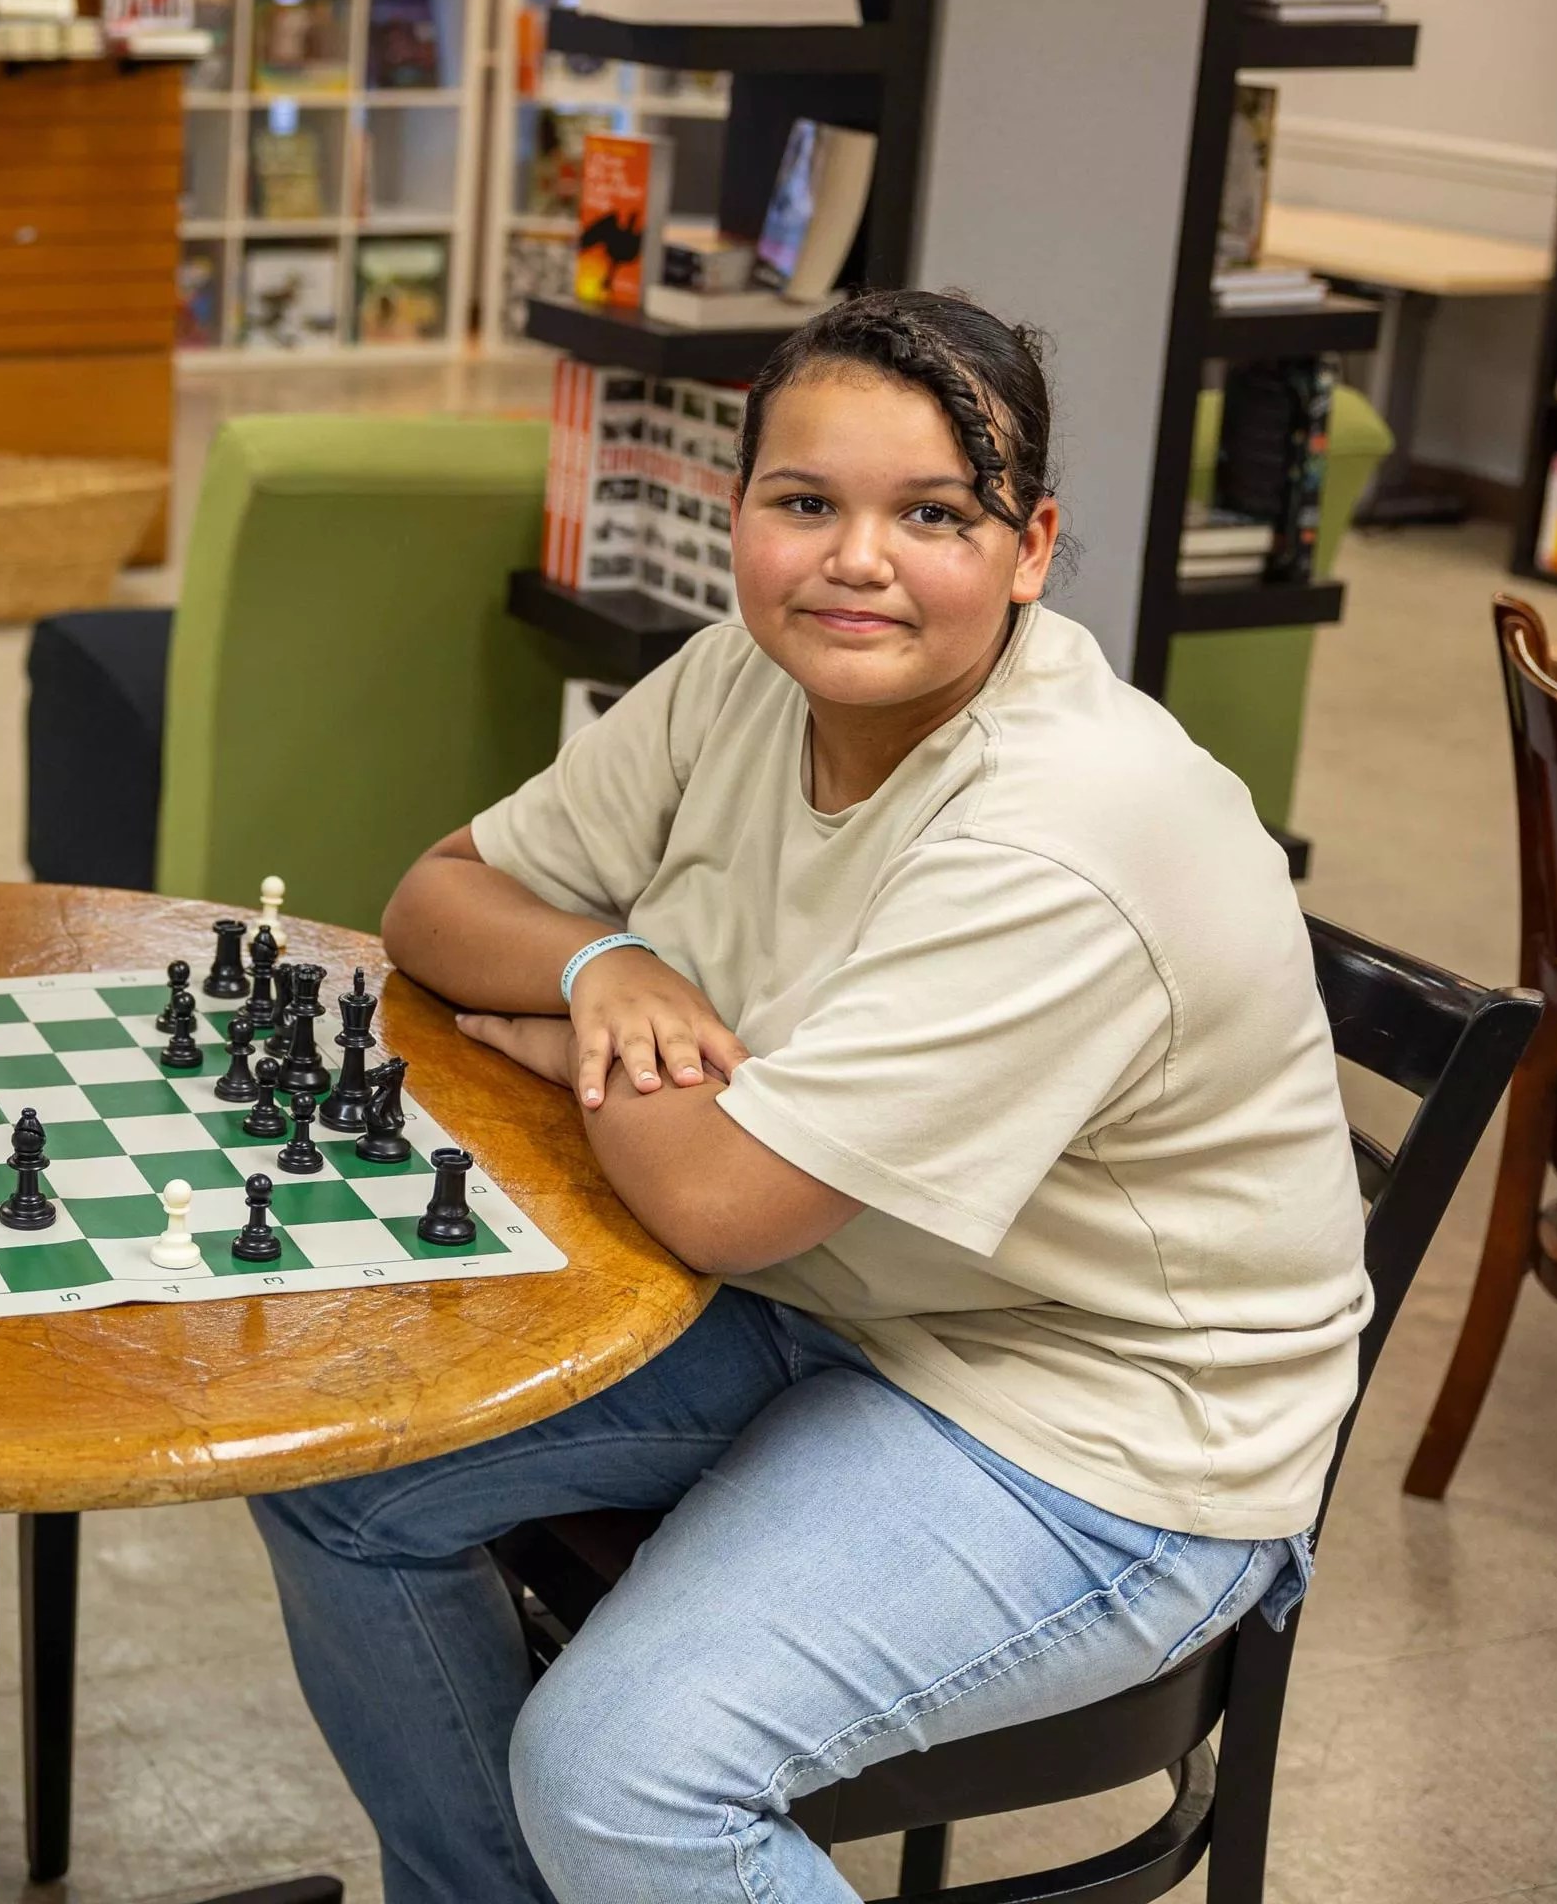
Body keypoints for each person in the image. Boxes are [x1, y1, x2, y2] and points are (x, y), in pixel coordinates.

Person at [251, 290, 1365, 1904]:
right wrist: (603, 966)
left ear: (1034, 549)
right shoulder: (743, 678)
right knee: (337, 1455)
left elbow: (723, 1201)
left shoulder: (1065, 832)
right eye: (806, 502)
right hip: (841, 1294)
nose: (858, 561)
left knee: (624, 1777)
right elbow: (438, 902)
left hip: (1094, 1418)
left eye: (935, 515)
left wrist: (578, 1043)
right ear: (738, 517)